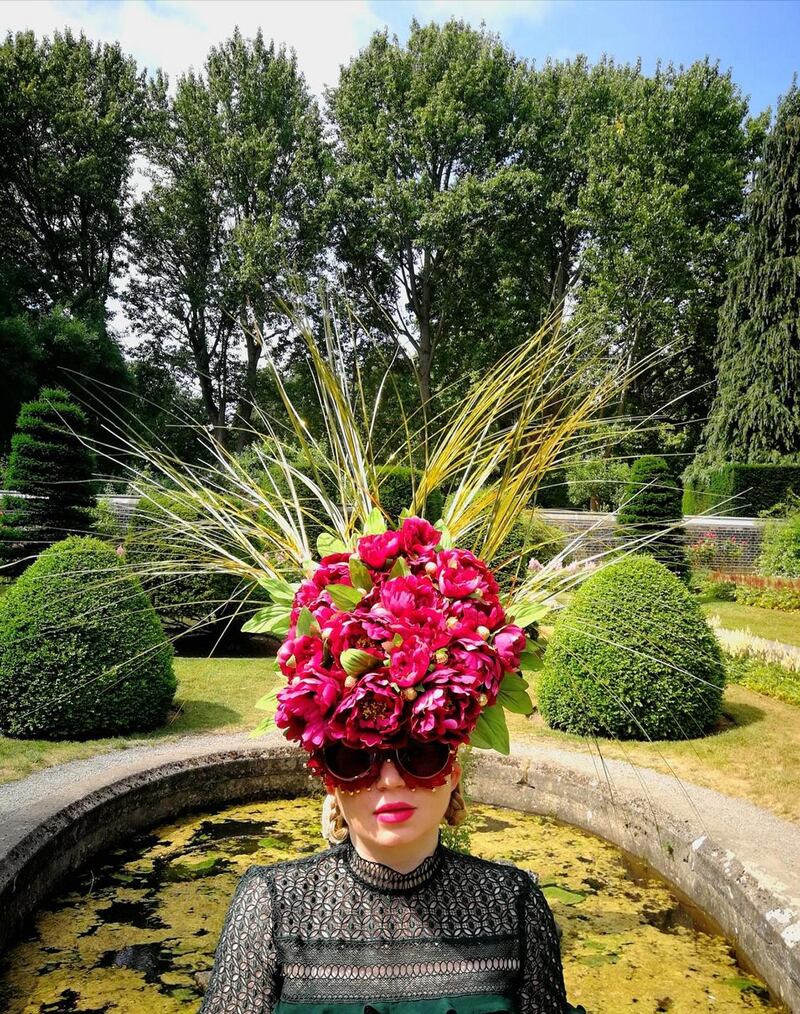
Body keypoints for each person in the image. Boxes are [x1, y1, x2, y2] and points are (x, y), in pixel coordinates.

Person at [200, 517, 572, 1013]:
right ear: (328, 777)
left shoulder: (514, 905)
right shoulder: (272, 907)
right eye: (356, 758)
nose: (391, 778)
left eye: (420, 753)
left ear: (454, 768)